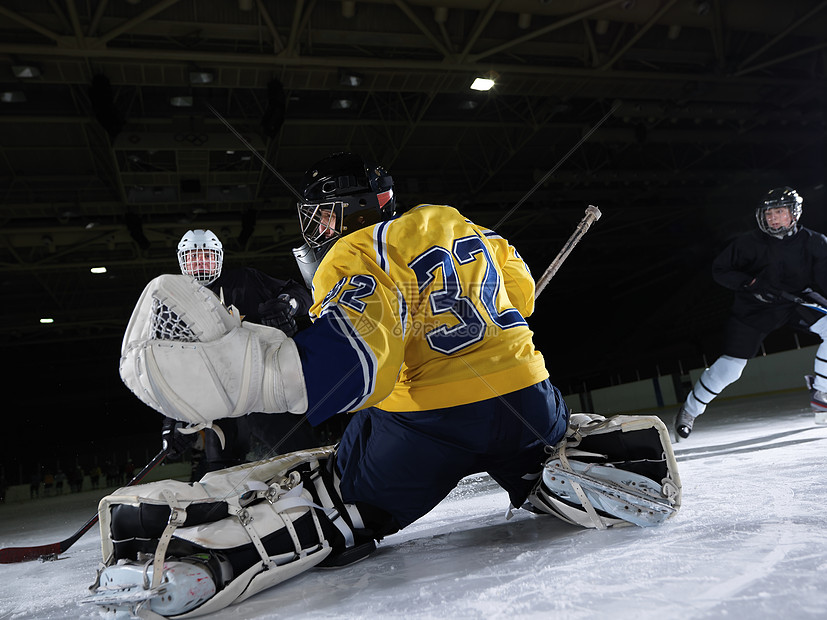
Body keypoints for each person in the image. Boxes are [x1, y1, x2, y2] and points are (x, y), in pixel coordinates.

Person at [105, 153, 679, 616]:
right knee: (540, 439)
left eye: (323, 215)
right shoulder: (455, 220)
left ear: (354, 212)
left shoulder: (351, 255)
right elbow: (522, 292)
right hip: (528, 399)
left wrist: (252, 376)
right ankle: (562, 469)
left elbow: (363, 364)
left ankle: (208, 559)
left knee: (337, 491)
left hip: (428, 426)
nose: (317, 229)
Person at [675, 187, 827, 439]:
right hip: (754, 307)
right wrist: (752, 284)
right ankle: (690, 410)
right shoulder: (748, 243)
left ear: (794, 213)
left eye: (779, 211)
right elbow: (720, 270)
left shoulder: (815, 242)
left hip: (795, 301)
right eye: (769, 213)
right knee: (731, 369)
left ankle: (821, 392)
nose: (773, 218)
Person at [167, 228, 320, 476]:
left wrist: (287, 306)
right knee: (220, 473)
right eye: (194, 257)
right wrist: (173, 420)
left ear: (219, 258)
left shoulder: (245, 281)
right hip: (218, 400)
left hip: (262, 390)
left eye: (206, 256)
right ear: (182, 261)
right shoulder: (176, 305)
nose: (201, 263)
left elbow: (299, 293)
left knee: (302, 455)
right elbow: (174, 368)